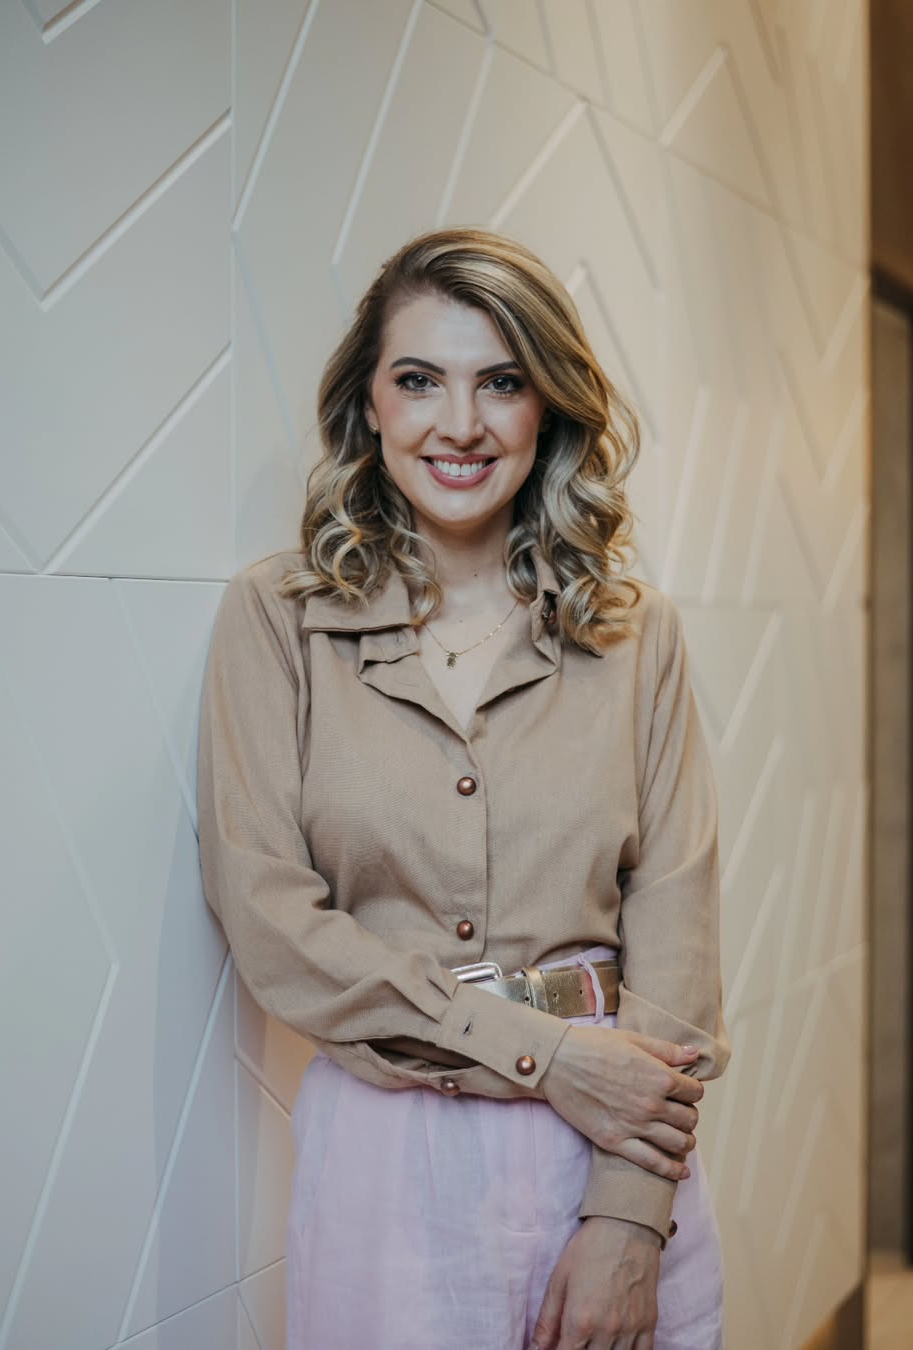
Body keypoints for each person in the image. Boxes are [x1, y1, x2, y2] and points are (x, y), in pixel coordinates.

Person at [197, 227, 730, 1349]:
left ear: (548, 408)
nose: (460, 424)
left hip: (614, 1137)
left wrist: (631, 1217)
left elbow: (677, 923)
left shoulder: (638, 636)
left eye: (501, 382)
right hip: (388, 1150)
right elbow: (269, 917)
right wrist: (543, 1055)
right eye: (418, 380)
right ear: (369, 403)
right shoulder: (276, 621)